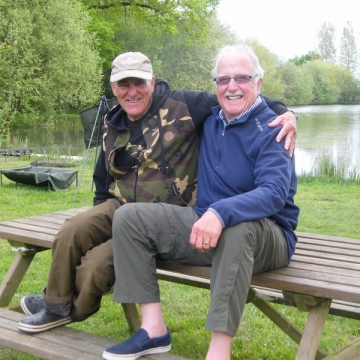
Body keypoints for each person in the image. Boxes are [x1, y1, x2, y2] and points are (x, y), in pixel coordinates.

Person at [18, 50, 297, 334]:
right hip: (120, 204)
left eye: (138, 83)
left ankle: (69, 310)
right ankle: (54, 303)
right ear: (114, 88)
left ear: (151, 82)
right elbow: (102, 179)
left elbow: (235, 95)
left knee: (97, 264)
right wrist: (100, 220)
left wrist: (287, 113)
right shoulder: (110, 122)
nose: (132, 92)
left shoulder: (183, 105)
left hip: (169, 214)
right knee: (72, 231)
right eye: (123, 85)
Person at [103, 44, 299, 360]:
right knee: (129, 217)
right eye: (223, 80)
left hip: (268, 235)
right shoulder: (210, 119)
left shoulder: (274, 128)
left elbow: (275, 193)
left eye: (241, 78)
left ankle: (218, 352)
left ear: (258, 83)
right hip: (205, 225)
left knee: (237, 230)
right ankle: (153, 330)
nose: (231, 87)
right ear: (216, 85)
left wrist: (222, 212)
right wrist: (213, 215)